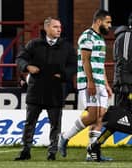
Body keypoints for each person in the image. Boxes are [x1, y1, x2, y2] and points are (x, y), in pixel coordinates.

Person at [14, 17, 77, 161]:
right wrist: (27, 67)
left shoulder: (66, 47)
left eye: (60, 27)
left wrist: (63, 75)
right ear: (47, 28)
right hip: (36, 90)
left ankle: (52, 152)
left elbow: (73, 65)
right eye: (55, 27)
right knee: (30, 123)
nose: (59, 29)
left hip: (56, 91)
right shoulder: (34, 44)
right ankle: (25, 150)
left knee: (55, 124)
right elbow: (20, 58)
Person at [58, 9, 112, 161]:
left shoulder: (100, 38)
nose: (110, 26)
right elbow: (85, 61)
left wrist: (106, 84)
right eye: (108, 22)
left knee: (100, 117)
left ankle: (92, 154)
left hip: (100, 82)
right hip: (90, 82)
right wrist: (91, 82)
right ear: (99, 21)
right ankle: (65, 137)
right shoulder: (87, 36)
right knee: (93, 115)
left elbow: (99, 65)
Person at [85, 12, 132, 161]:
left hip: (127, 84)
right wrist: (125, 84)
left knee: (118, 121)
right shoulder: (126, 36)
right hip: (127, 86)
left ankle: (95, 146)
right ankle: (95, 145)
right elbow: (124, 62)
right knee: (118, 119)